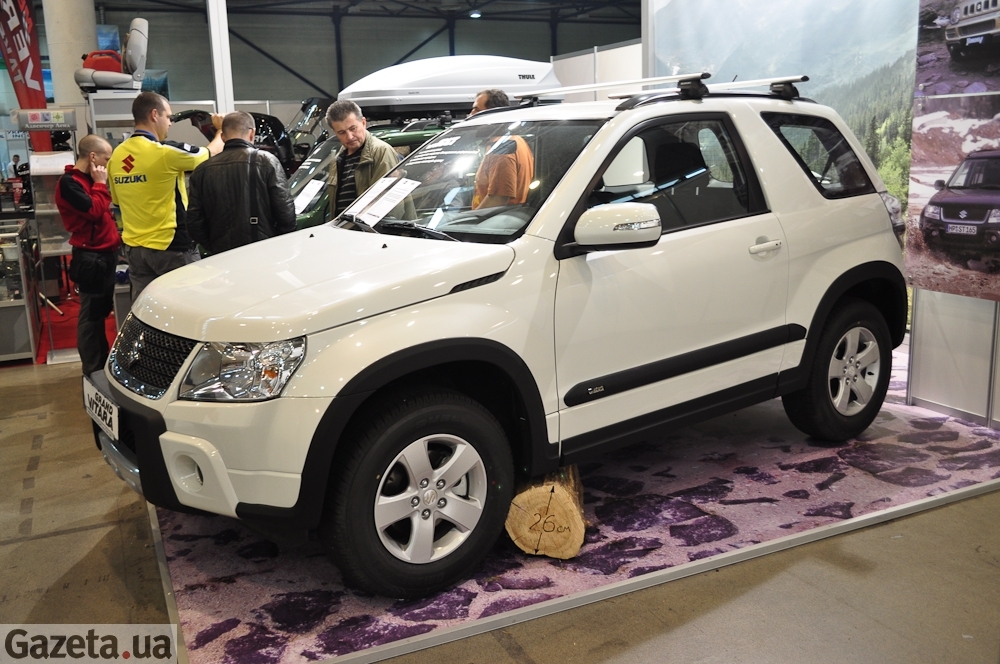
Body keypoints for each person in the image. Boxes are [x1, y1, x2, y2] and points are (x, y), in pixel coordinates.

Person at [108, 91, 224, 300]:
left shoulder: (117, 156)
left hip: (135, 250)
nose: (170, 123)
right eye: (168, 117)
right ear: (154, 115)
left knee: (146, 310)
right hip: (170, 247)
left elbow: (117, 202)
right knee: (190, 305)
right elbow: (211, 154)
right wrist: (221, 130)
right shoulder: (164, 151)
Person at [54, 135, 120, 377]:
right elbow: (93, 210)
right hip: (91, 258)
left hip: (105, 254)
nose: (108, 163)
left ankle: (100, 363)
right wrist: (101, 184)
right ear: (93, 156)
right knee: (91, 316)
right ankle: (93, 369)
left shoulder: (87, 180)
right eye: (106, 158)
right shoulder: (69, 183)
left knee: (99, 312)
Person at [187, 111, 296, 255]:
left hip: (221, 255)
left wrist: (214, 245)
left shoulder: (202, 170)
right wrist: (276, 244)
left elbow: (194, 222)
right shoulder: (267, 162)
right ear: (252, 133)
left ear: (222, 137)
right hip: (263, 253)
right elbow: (286, 214)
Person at [325, 100, 399, 219]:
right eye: (342, 132)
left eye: (353, 128)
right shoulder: (338, 159)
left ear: (363, 123)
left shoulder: (381, 152)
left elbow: (387, 208)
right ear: (335, 133)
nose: (349, 137)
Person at [470, 89, 534, 209]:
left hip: (495, 218)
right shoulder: (515, 140)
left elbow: (498, 198)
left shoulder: (502, 147)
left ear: (493, 113)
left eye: (477, 110)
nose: (471, 114)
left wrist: (469, 218)